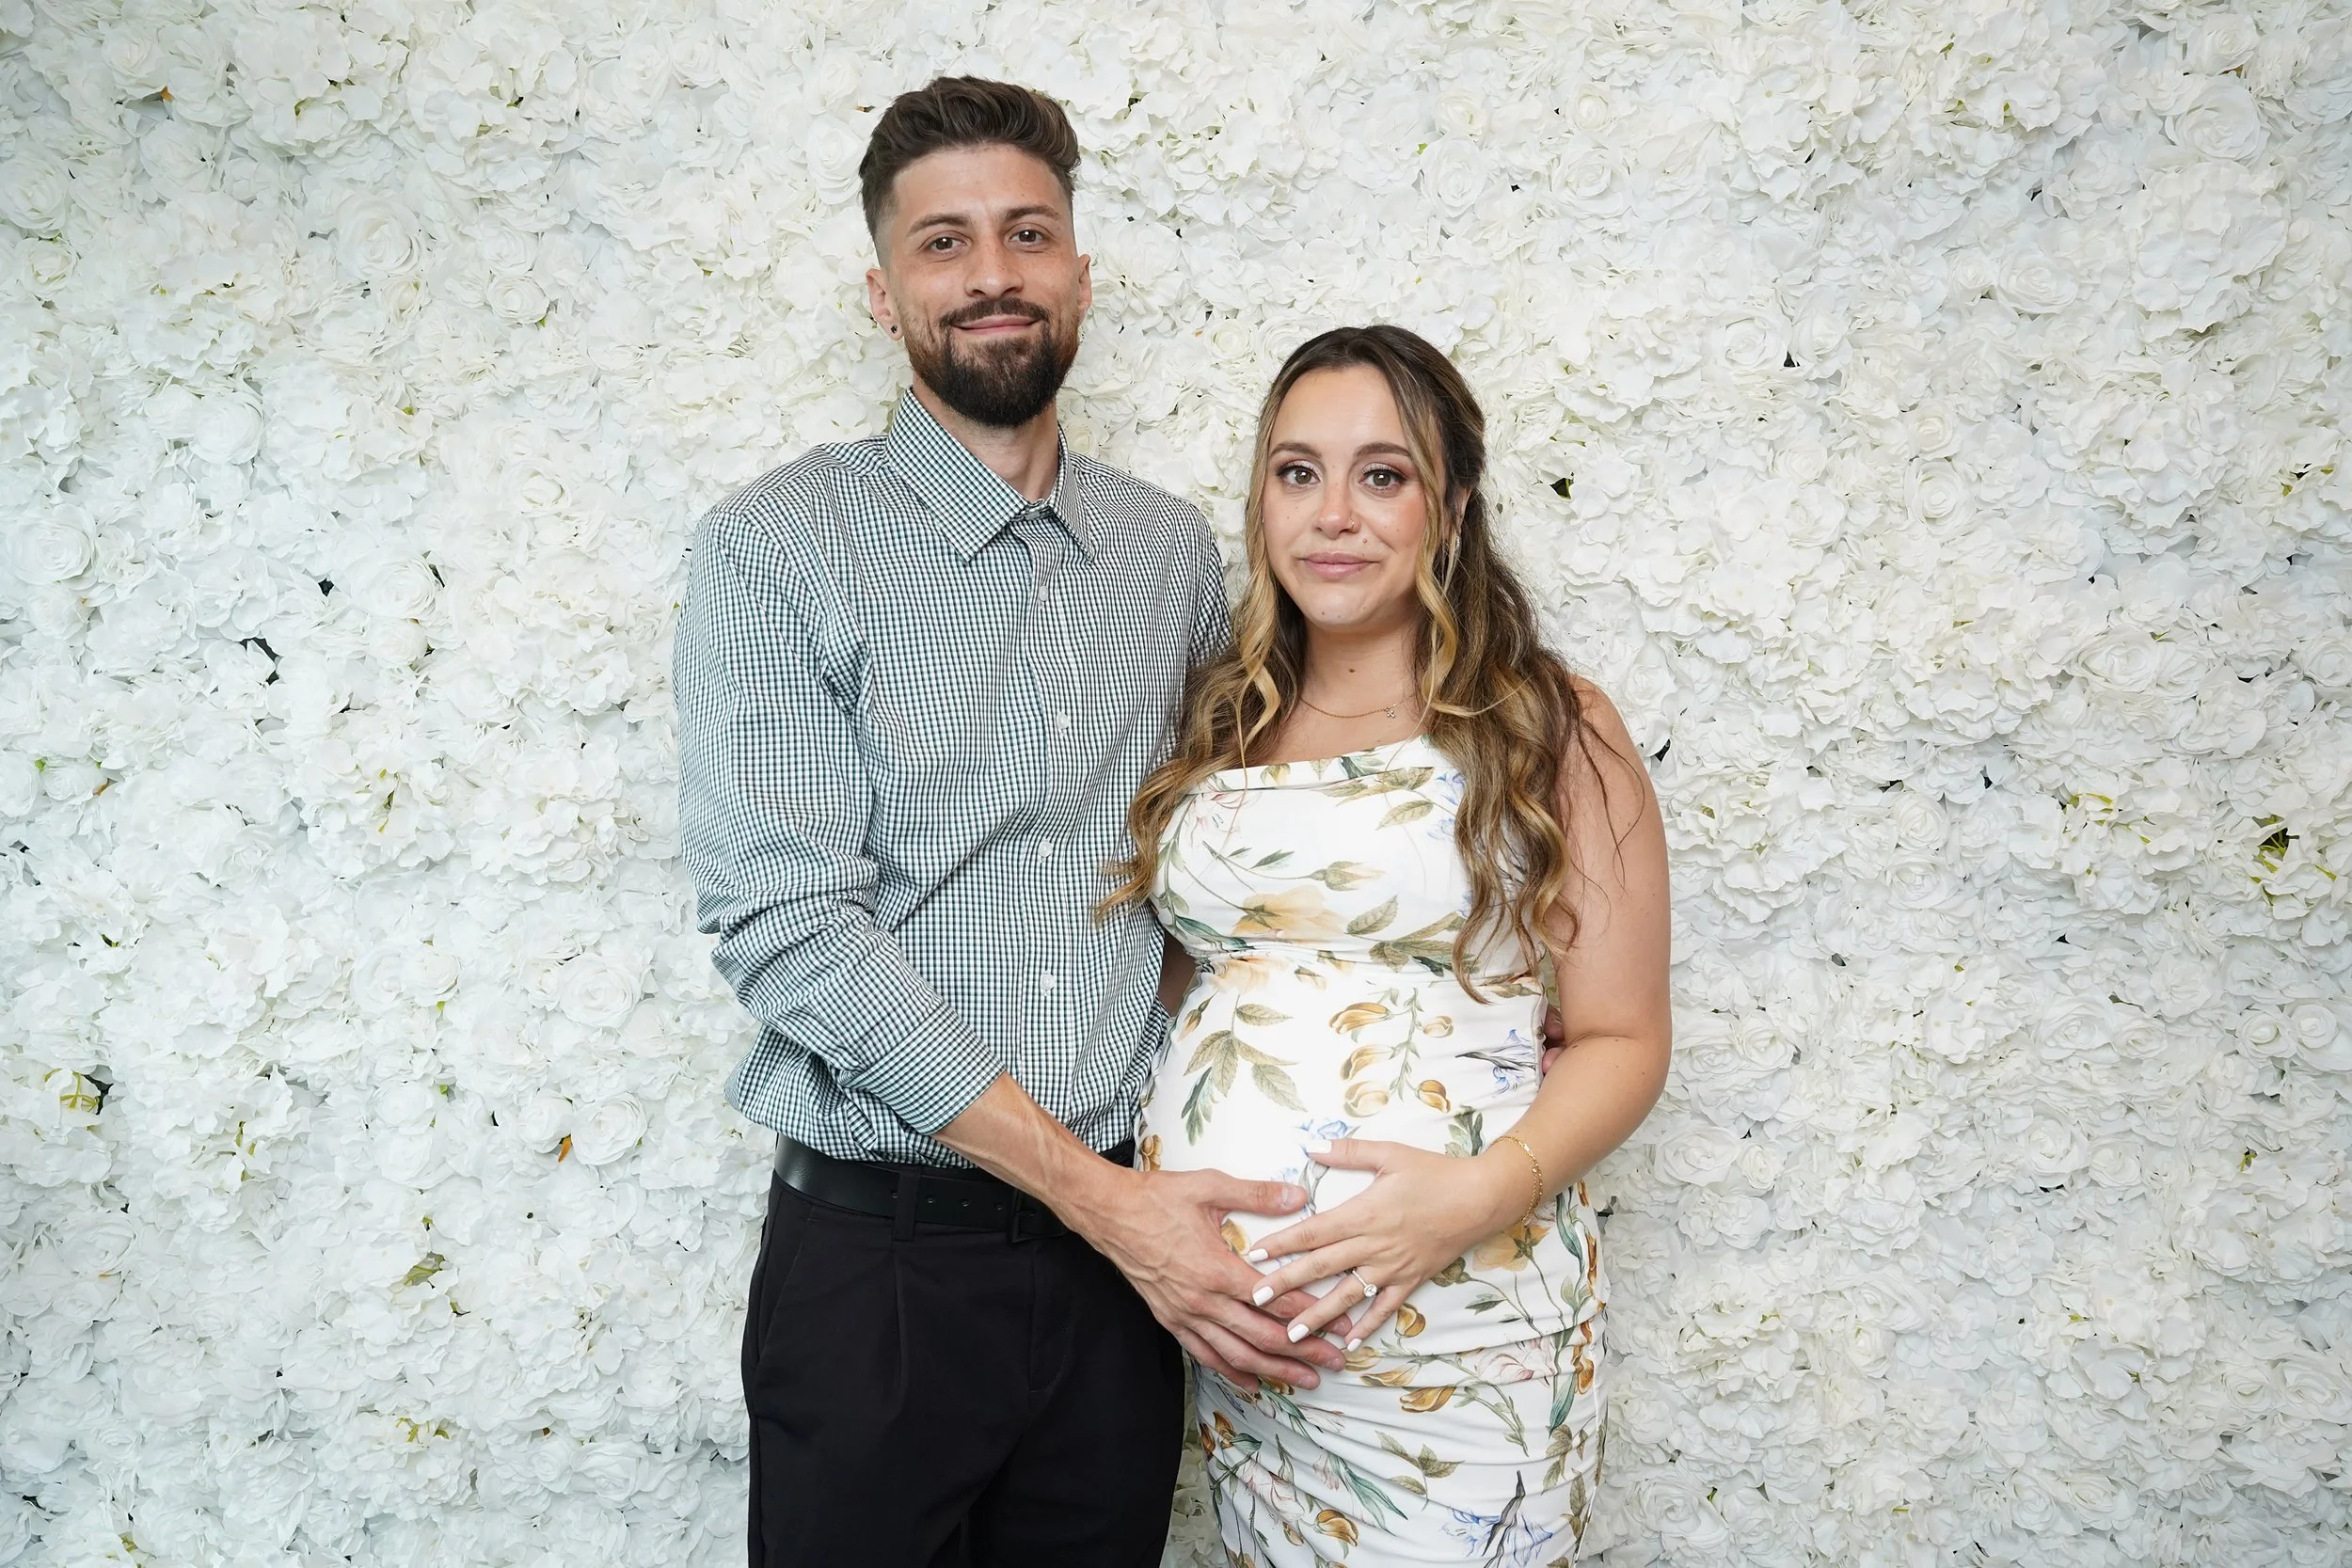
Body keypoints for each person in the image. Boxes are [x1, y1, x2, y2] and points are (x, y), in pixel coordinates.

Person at [671, 77, 1346, 1568]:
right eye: (944, 242)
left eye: (1027, 233)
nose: (990, 274)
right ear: (881, 289)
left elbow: (1239, 857)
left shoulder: (1170, 553)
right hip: (883, 1278)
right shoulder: (777, 547)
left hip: (1124, 1285)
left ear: (1079, 272)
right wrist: (1100, 1198)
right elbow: (785, 927)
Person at [1114, 325, 1673, 1564]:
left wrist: (1466, 1196)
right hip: (1250, 1343)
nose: (1334, 515)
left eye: (1384, 474)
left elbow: (1625, 1036)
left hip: (1464, 1324)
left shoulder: (1550, 722)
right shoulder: (1219, 722)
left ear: (1453, 505)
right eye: (1297, 471)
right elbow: (1191, 999)